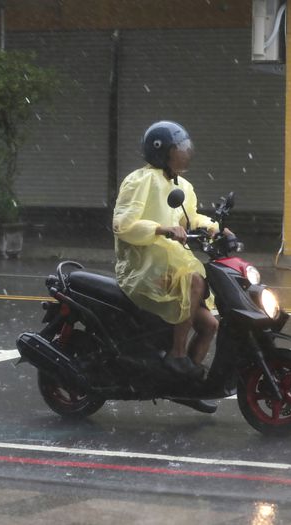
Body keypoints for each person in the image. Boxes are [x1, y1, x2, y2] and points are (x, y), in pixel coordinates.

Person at [113, 121, 230, 411]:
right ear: (162, 152)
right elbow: (123, 225)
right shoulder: (140, 181)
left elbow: (189, 219)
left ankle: (182, 386)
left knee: (210, 325)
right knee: (194, 280)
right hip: (142, 263)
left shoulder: (183, 186)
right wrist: (161, 229)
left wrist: (216, 228)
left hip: (167, 263)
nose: (185, 154)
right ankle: (175, 355)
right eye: (179, 149)